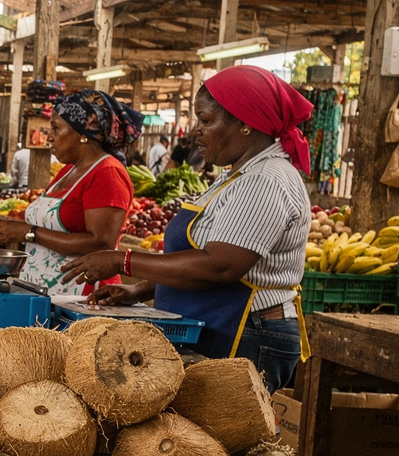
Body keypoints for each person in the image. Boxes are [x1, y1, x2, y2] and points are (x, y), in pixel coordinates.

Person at [62, 65, 315, 390]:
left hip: (247, 333)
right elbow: (200, 256)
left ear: (245, 123)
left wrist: (121, 261)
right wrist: (140, 291)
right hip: (221, 322)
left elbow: (219, 265)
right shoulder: (237, 175)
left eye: (206, 121)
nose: (196, 131)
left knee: (228, 421)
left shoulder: (265, 180)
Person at [0, 90, 135, 294]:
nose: (49, 137)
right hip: (47, 290)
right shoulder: (68, 170)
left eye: (56, 128)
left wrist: (29, 233)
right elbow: (47, 225)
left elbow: (101, 243)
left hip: (84, 295)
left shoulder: (108, 173)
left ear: (83, 134)